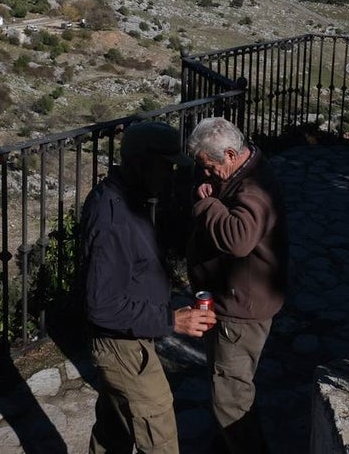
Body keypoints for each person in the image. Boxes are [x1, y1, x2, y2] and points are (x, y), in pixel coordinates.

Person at [80, 120, 218, 454]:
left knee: (113, 433)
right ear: (142, 162)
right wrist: (172, 321)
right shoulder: (114, 219)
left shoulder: (124, 197)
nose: (171, 175)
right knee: (159, 438)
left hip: (127, 342)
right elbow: (102, 305)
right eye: (166, 166)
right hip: (123, 349)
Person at [185, 117, 289, 454]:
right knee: (235, 386)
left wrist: (205, 205)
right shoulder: (249, 169)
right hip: (240, 300)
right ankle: (228, 445)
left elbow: (238, 238)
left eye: (210, 166)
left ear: (230, 154)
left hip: (240, 310)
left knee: (229, 398)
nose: (206, 173)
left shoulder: (254, 188)